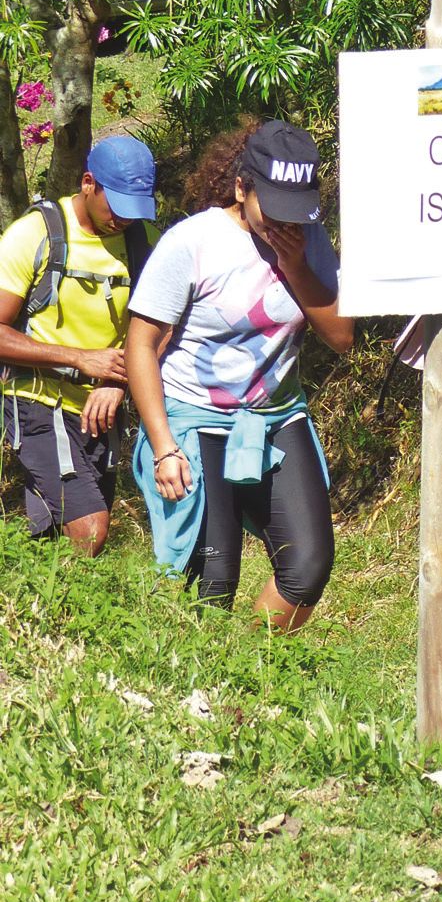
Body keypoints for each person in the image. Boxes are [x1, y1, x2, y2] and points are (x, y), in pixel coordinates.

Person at [126, 120, 354, 631]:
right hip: (194, 415)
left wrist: (294, 263)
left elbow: (341, 336)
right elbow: (141, 346)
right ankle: (194, 687)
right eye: (272, 207)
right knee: (213, 577)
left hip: (275, 415)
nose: (285, 222)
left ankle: (253, 672)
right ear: (240, 186)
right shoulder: (193, 242)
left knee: (308, 564)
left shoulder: (306, 240)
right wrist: (164, 446)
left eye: (296, 211)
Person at [0, 136, 157, 554]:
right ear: (89, 183)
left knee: (56, 534)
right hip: (37, 397)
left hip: (102, 405)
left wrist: (118, 382)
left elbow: (162, 328)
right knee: (90, 527)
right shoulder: (36, 233)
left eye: (135, 209)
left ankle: (40, 611)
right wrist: (80, 359)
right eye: (117, 206)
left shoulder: (142, 242)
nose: (125, 219)